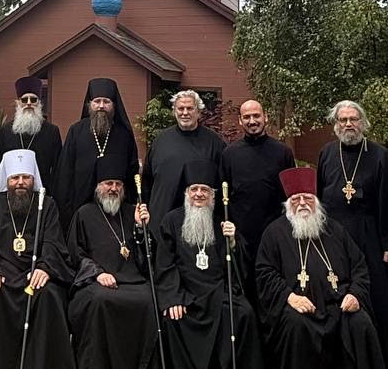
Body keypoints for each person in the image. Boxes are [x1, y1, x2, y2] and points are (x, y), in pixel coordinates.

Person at [256, 166, 388, 369]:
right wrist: (290, 297)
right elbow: (264, 273)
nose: (302, 204)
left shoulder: (335, 230)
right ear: (288, 204)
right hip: (299, 308)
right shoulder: (274, 233)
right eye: (296, 199)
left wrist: (355, 294)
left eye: (307, 198)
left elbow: (359, 267)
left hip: (338, 306)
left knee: (361, 323)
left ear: (316, 201)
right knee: (295, 326)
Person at [156, 161, 274, 369]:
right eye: (194, 189)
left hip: (218, 291)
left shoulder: (222, 222)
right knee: (174, 318)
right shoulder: (171, 221)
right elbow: (165, 265)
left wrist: (233, 242)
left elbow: (238, 268)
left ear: (213, 195)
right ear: (186, 193)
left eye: (205, 190)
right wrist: (173, 297)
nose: (199, 194)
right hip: (187, 293)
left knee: (244, 313)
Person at [317, 99, 388, 369]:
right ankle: (340, 364)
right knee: (335, 294)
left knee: (379, 297)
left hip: (370, 237)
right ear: (335, 124)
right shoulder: (327, 153)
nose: (348, 124)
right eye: (343, 120)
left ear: (362, 123)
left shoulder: (379, 155)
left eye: (353, 119)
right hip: (334, 237)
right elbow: (319, 196)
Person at [0, 149, 77, 369]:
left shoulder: (46, 205)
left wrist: (44, 267)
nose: (20, 183)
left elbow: (53, 242)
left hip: (35, 274)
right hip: (3, 272)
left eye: (26, 178)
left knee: (49, 295)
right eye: (15, 178)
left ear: (34, 179)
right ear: (7, 180)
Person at [67, 154, 160, 369]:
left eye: (118, 184)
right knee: (100, 301)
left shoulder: (132, 212)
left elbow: (147, 258)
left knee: (150, 301)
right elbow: (75, 255)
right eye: (108, 183)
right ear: (98, 186)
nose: (114, 188)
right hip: (94, 283)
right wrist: (97, 273)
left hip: (133, 281)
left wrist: (141, 229)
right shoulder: (84, 214)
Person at [220, 100, 295, 290]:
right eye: (247, 117)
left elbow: (291, 197)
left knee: (274, 285)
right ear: (240, 120)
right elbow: (224, 195)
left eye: (256, 116)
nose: (252, 121)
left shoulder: (283, 152)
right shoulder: (229, 154)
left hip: (275, 234)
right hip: (241, 236)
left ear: (265, 117)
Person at [53, 78, 139, 231]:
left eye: (106, 101)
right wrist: (66, 215)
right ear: (89, 104)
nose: (101, 106)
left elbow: (131, 175)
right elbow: (64, 175)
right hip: (79, 211)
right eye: (97, 101)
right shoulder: (76, 131)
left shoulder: (124, 135)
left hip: (115, 212)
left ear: (114, 105)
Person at [142, 90, 225, 232]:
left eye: (190, 108)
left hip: (199, 224)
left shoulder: (214, 143)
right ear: (174, 111)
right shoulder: (160, 141)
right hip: (160, 221)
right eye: (180, 108)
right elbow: (147, 182)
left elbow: (222, 184)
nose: (185, 113)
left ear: (198, 112)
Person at [0, 76, 62, 193]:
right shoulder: (6, 131)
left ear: (39, 103)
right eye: (24, 100)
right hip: (12, 193)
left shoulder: (52, 131)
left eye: (33, 100)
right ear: (18, 103)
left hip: (42, 192)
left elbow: (57, 168)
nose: (29, 103)